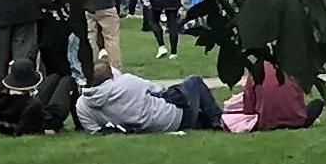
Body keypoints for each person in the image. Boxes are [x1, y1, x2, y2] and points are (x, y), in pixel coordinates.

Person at [73, 64, 223, 132]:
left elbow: (94, 130)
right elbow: (158, 90)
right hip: (171, 116)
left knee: (202, 119)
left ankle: (212, 121)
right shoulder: (127, 82)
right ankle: (219, 120)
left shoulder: (82, 105)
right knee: (194, 82)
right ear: (111, 76)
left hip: (151, 127)